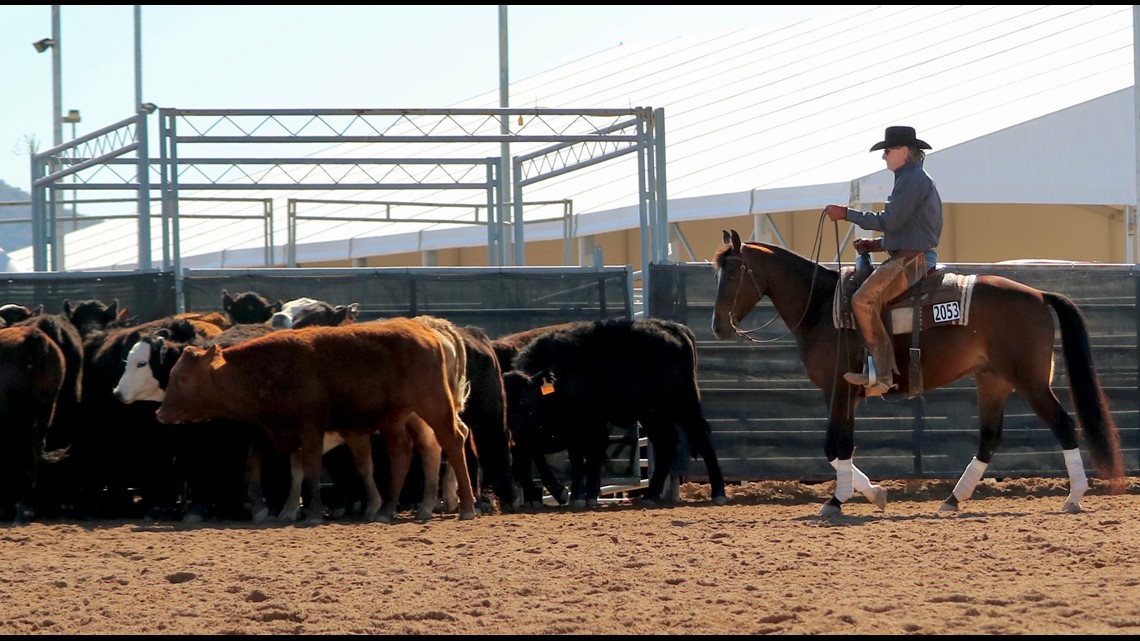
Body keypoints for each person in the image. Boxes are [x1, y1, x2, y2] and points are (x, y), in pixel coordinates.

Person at [824, 125, 943, 395]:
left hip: (913, 261)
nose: (884, 156)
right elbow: (908, 228)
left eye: (887, 151)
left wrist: (846, 214)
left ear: (904, 151)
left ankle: (883, 374)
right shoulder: (912, 178)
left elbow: (890, 221)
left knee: (862, 300)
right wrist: (877, 244)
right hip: (913, 255)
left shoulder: (911, 180)